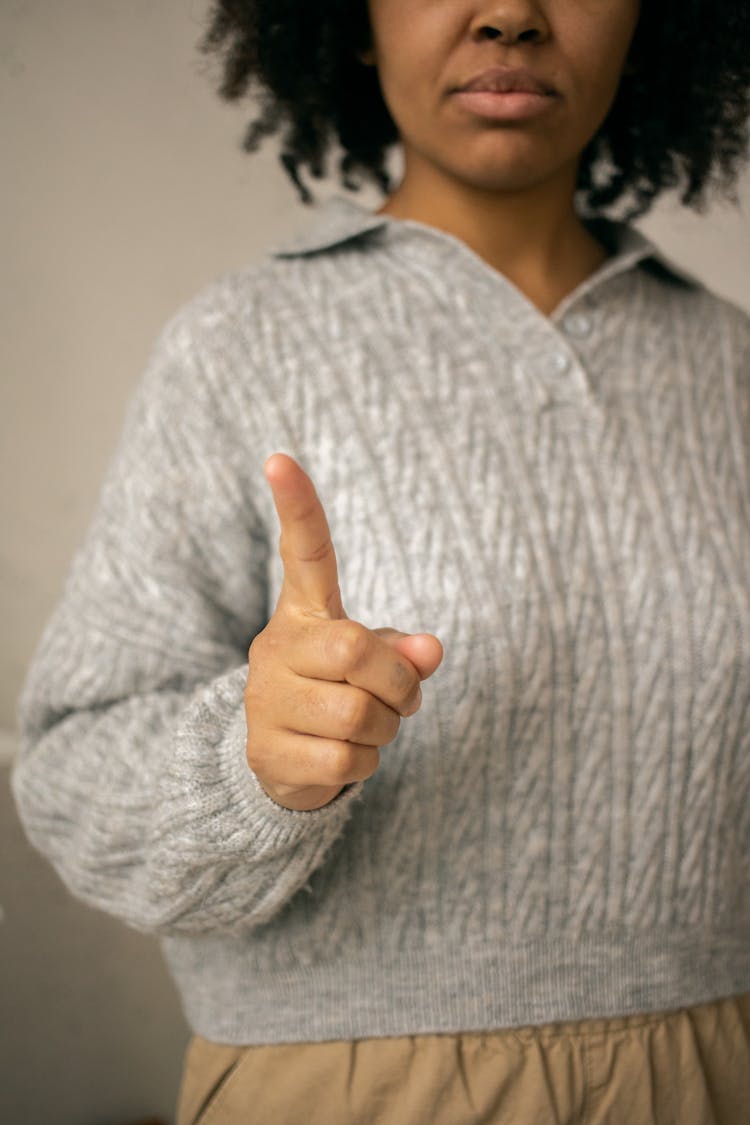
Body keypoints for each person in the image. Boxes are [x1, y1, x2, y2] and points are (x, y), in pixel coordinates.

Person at [12, 0, 750, 1121]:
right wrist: (249, 762)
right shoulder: (240, 345)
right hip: (355, 1088)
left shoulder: (732, 369)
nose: (509, 13)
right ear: (348, 19)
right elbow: (67, 767)